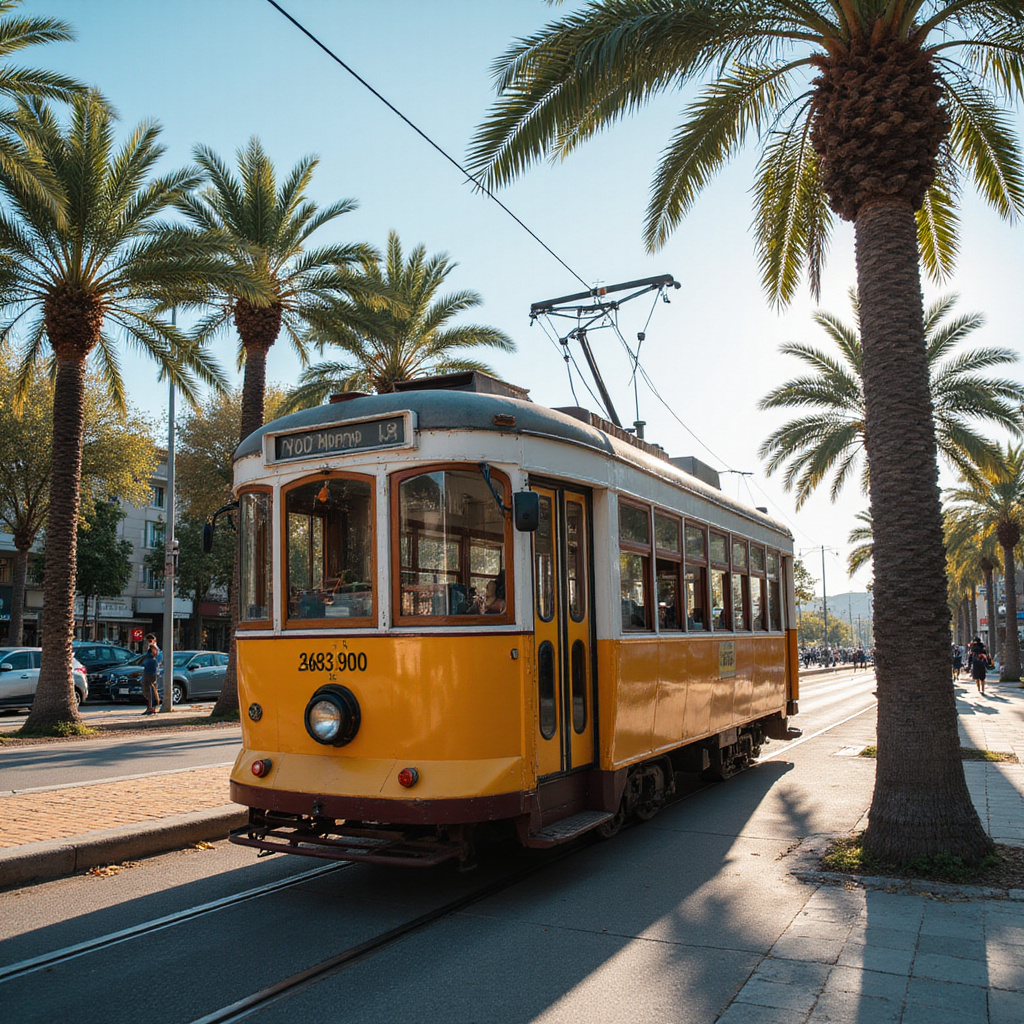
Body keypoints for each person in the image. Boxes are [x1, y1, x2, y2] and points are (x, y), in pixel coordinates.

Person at [141, 633, 160, 714]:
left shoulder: (154, 648)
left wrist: (152, 645)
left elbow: (155, 654)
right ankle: (149, 707)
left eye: (150, 640)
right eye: (147, 641)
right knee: (145, 689)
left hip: (152, 671)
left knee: (151, 689)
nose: (149, 642)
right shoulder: (148, 648)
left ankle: (152, 707)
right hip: (147, 670)